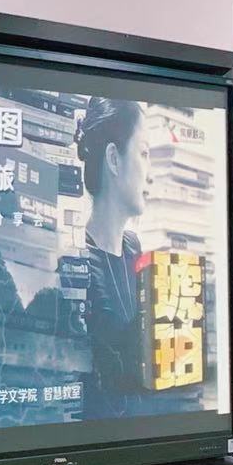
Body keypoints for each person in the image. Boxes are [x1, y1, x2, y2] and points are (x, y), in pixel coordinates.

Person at [76, 97, 149, 417]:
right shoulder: (76, 262)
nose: (150, 173)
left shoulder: (134, 249)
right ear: (113, 159)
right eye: (144, 153)